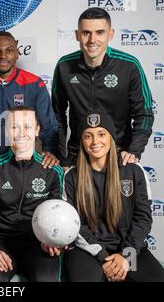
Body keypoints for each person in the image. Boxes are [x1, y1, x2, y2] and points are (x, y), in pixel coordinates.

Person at [64, 109, 164, 282]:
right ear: (82, 140)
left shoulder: (133, 170)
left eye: (101, 134)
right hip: (88, 250)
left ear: (110, 137)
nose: (95, 141)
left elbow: (143, 218)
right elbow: (75, 225)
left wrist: (126, 257)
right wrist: (103, 257)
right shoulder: (71, 177)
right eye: (88, 135)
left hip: (129, 248)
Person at [52, 7, 154, 169]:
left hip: (119, 155)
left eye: (99, 32)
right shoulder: (64, 66)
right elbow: (57, 115)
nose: (92, 39)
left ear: (110, 34)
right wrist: (61, 157)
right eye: (86, 33)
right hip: (78, 156)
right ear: (78, 35)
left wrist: (133, 151)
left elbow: (145, 115)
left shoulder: (129, 66)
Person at [0, 106, 65, 282]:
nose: (21, 133)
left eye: (27, 127)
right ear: (6, 131)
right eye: (14, 127)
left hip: (38, 244)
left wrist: (51, 240)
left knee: (47, 279)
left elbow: (57, 215)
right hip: (0, 243)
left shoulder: (53, 171)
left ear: (37, 130)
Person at [0, 31, 59, 168]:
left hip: (26, 162)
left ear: (17, 53)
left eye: (9, 50)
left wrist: (49, 153)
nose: (3, 56)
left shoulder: (34, 83)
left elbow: (49, 126)